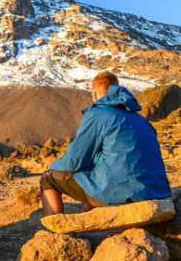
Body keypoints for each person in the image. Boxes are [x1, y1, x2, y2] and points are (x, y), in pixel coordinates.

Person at [41, 71, 171, 215]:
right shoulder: (141, 120)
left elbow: (74, 161)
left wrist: (53, 168)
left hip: (120, 193)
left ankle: (56, 230)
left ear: (95, 94)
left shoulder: (98, 114)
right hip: (155, 193)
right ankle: (85, 218)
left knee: (48, 179)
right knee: (95, 173)